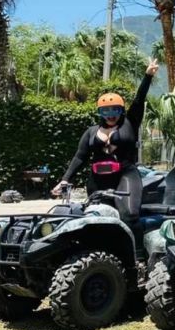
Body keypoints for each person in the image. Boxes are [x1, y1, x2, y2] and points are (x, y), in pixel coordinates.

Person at [52, 58, 159, 222]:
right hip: (97, 179)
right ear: (100, 113)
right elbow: (80, 157)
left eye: (115, 110)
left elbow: (138, 100)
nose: (110, 115)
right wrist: (65, 180)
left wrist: (147, 76)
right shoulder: (91, 132)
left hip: (125, 174)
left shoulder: (130, 123)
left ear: (122, 110)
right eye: (105, 111)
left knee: (129, 214)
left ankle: (135, 247)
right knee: (97, 217)